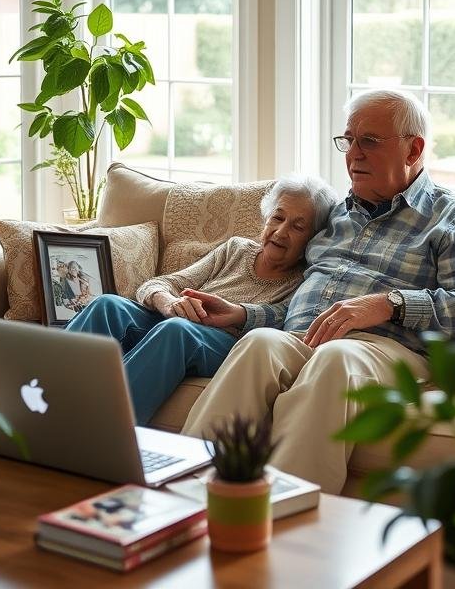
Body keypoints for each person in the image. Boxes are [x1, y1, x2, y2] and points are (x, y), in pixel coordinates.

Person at [180, 89, 455, 494]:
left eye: (369, 141)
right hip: (308, 335)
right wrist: (246, 315)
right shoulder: (334, 215)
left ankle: (285, 516)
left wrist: (390, 304)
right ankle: (187, 493)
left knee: (335, 358)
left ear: (413, 148)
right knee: (259, 343)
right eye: (349, 140)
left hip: (387, 349)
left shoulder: (453, 217)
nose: (354, 154)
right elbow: (307, 305)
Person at [64, 174, 339, 425]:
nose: (280, 232)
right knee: (107, 305)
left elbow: (283, 316)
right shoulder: (236, 249)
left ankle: (102, 430)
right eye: (277, 218)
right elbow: (161, 283)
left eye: (298, 226)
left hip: (226, 343)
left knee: (177, 331)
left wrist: (239, 313)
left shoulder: (306, 279)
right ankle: (43, 397)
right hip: (174, 320)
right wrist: (168, 303)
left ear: (313, 239)